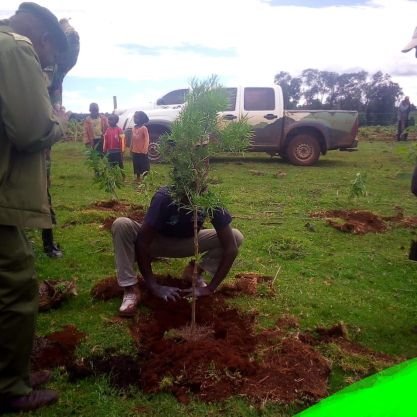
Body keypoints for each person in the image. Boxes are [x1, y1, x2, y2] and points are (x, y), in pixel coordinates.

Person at [0, 2, 68, 412]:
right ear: (45, 42)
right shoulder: (16, 48)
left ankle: (15, 370)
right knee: (16, 289)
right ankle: (10, 387)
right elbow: (32, 129)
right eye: (53, 58)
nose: (49, 64)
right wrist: (57, 121)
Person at [111, 186, 244, 316]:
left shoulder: (210, 201)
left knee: (235, 236)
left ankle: (193, 273)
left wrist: (210, 288)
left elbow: (231, 248)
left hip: (188, 242)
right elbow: (143, 241)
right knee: (121, 224)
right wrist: (154, 286)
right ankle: (130, 288)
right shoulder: (165, 197)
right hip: (155, 241)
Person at [130, 111, 150, 182]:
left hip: (143, 152)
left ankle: (145, 178)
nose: (134, 119)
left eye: (136, 117)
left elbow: (147, 139)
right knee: (136, 164)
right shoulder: (133, 128)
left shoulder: (144, 128)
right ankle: (138, 177)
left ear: (141, 118)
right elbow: (132, 139)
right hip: (135, 151)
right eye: (134, 117)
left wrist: (145, 149)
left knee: (144, 165)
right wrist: (131, 148)